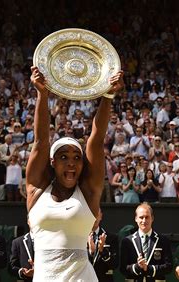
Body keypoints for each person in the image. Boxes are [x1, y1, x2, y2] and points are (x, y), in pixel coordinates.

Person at [26, 66, 124, 281]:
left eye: (76, 158)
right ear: (51, 162)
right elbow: (41, 141)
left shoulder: (88, 193)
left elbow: (96, 141)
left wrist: (108, 96)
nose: (71, 163)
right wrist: (42, 94)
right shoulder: (36, 190)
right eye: (63, 157)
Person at [120, 203, 172, 281]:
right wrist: (137, 267)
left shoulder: (163, 240)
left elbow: (169, 267)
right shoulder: (127, 241)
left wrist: (149, 268)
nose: (144, 220)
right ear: (136, 219)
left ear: (152, 218)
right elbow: (123, 268)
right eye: (141, 217)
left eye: (147, 217)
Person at [88, 209, 119, 282]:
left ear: (101, 216)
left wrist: (103, 251)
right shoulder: (80, 237)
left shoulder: (111, 238)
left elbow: (114, 265)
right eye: (91, 214)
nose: (93, 217)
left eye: (96, 214)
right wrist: (91, 253)